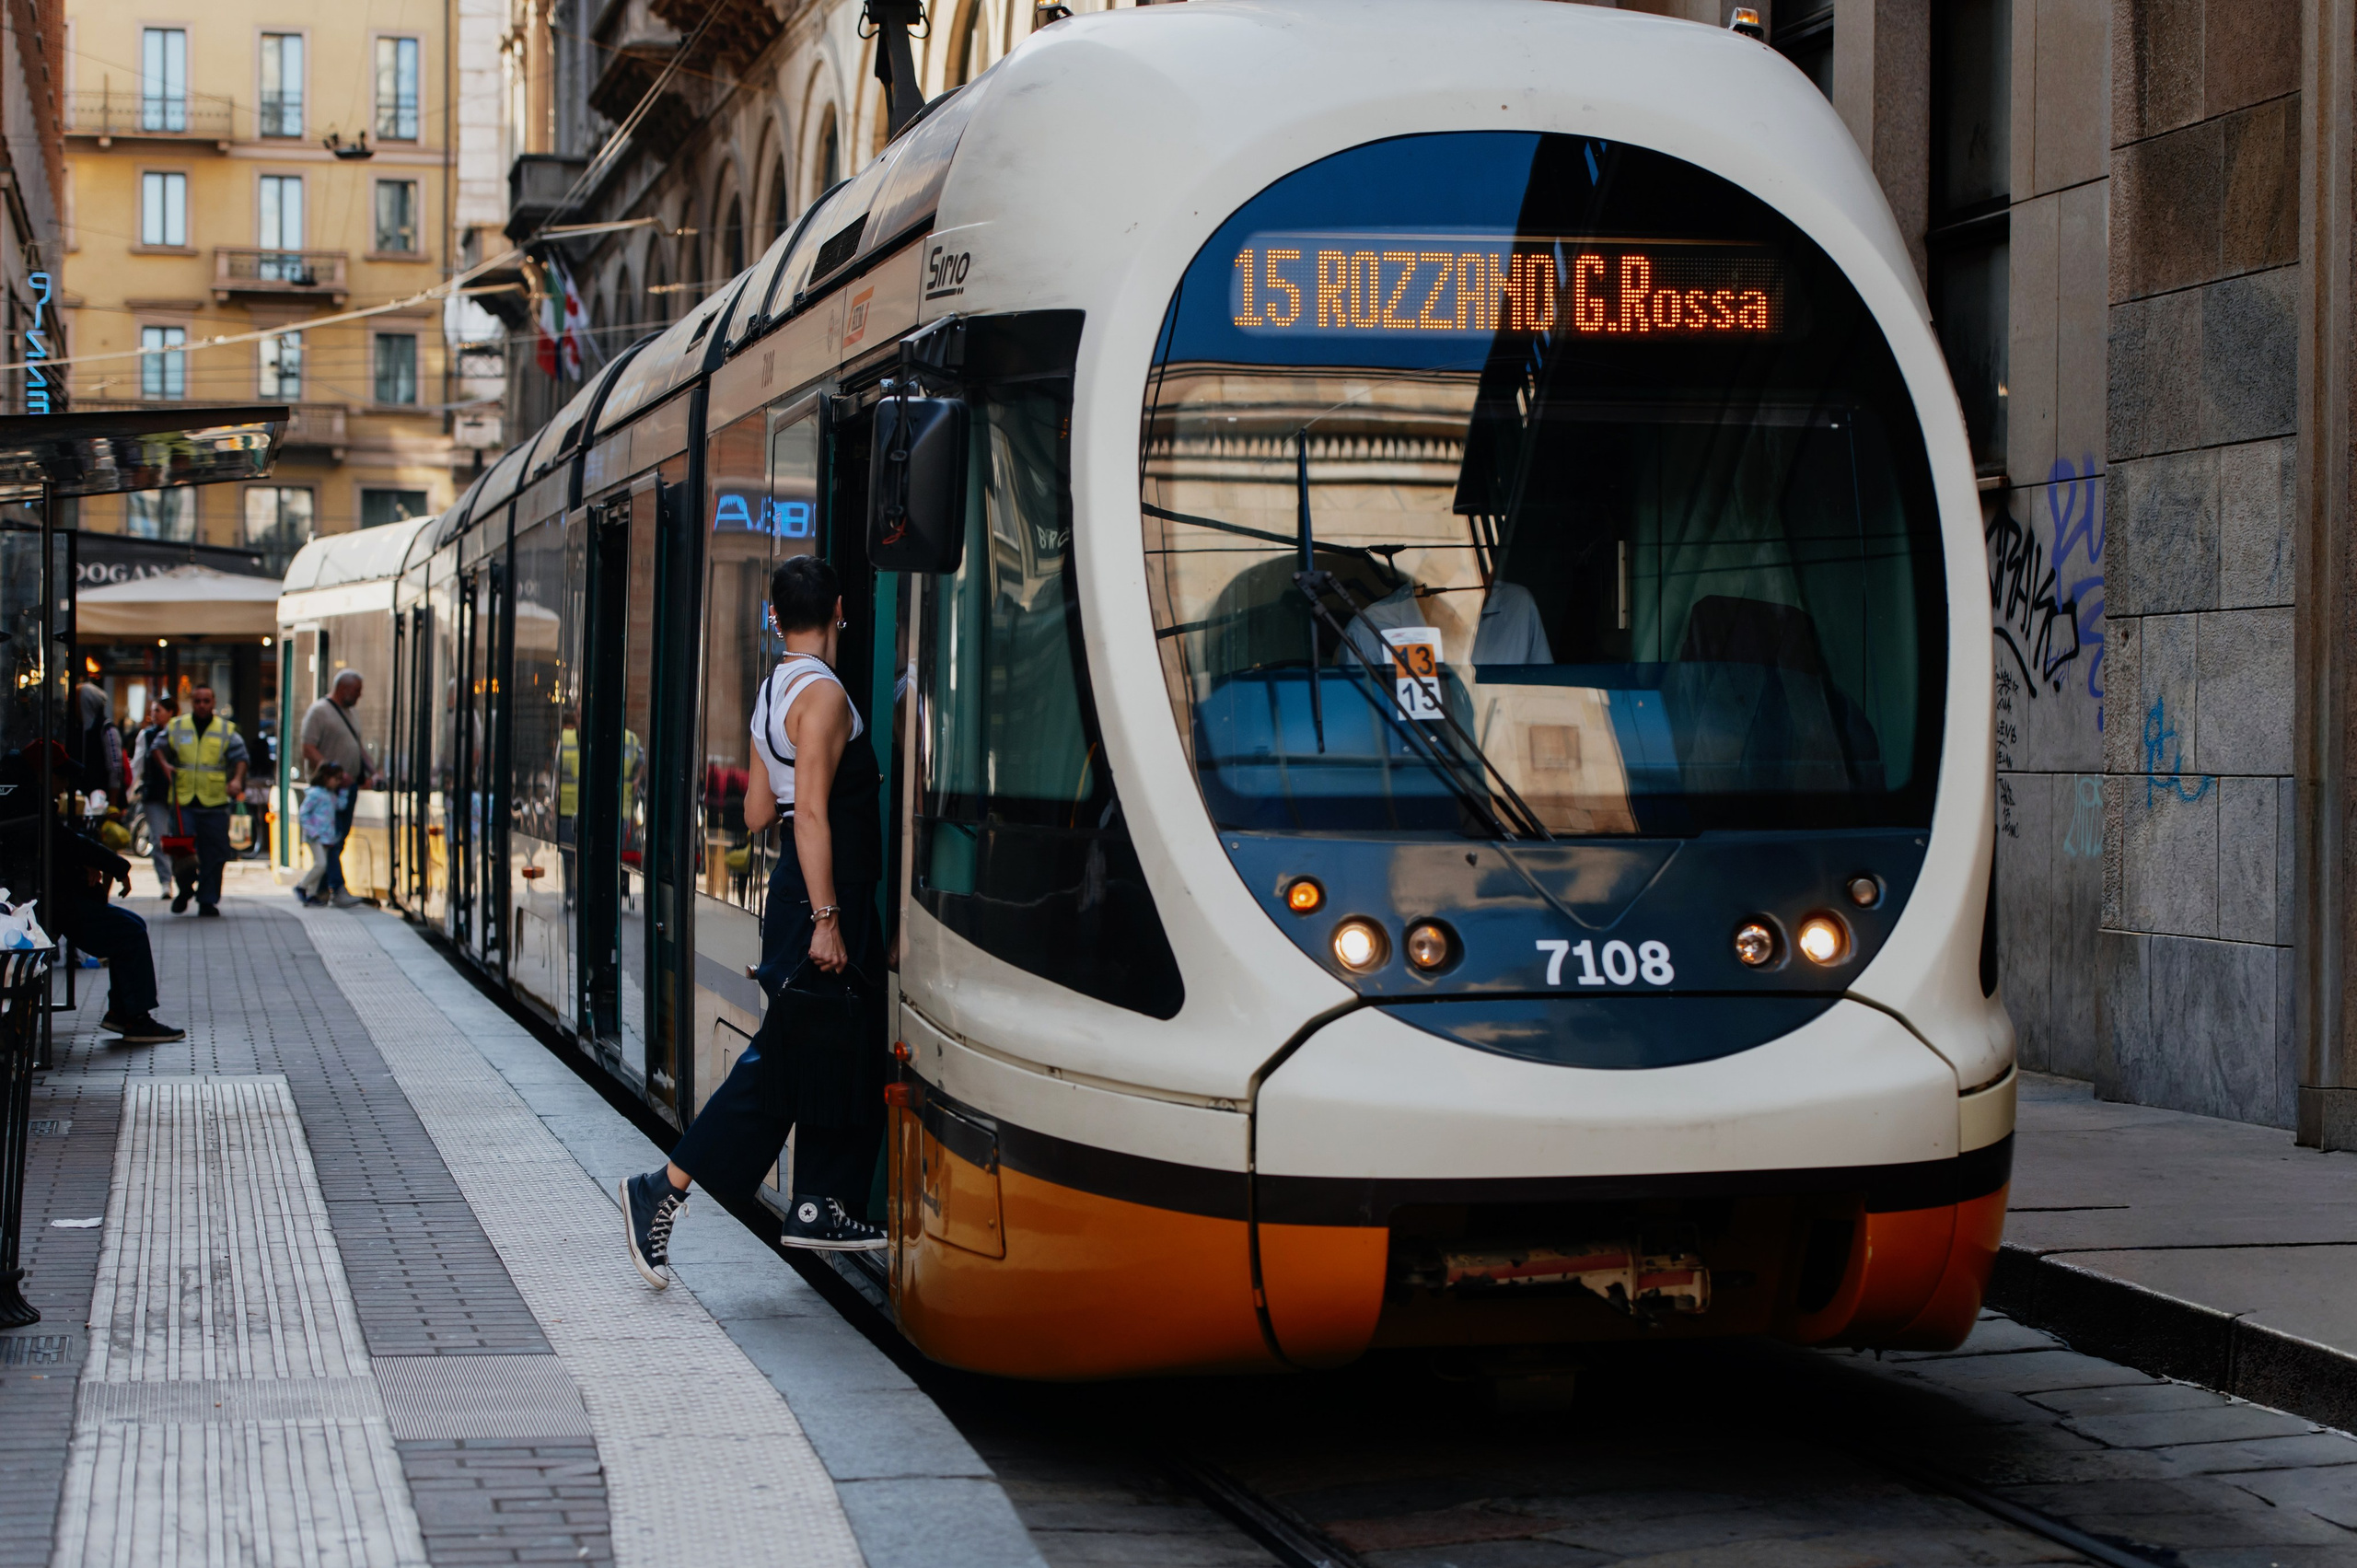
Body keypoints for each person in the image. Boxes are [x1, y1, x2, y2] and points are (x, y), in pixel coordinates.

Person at [621, 554, 887, 1286]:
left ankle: (816, 1204)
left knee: (818, 1050)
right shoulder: (825, 696)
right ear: (839, 609)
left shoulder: (773, 690)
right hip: (823, 894)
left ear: (774, 616)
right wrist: (829, 918)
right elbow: (808, 819)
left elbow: (756, 811)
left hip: (796, 892)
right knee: (782, 1058)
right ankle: (663, 1187)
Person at [0, 741, 183, 1043]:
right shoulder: (29, 801)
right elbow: (63, 843)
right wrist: (109, 863)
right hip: (47, 904)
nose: (65, 785)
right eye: (62, 776)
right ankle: (132, 1017)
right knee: (129, 932)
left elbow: (60, 844)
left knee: (131, 928)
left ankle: (126, 1013)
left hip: (46, 900)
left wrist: (93, 865)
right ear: (45, 774)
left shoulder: (23, 797)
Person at [162, 685, 246, 917]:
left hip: (215, 802)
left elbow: (241, 757)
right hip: (184, 802)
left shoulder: (225, 730)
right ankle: (185, 889)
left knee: (215, 854)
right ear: (191, 702)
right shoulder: (177, 726)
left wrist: (237, 780)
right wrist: (164, 766)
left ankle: (207, 900)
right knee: (182, 851)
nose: (201, 705)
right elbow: (157, 747)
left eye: (206, 701)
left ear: (213, 702)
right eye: (197, 701)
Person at [299, 670, 373, 907]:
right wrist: (332, 774)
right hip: (329, 791)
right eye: (357, 691)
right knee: (331, 841)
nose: (360, 696)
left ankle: (322, 889)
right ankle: (335, 888)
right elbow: (308, 748)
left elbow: (357, 745)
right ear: (344, 688)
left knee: (339, 840)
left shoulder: (351, 713)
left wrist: (371, 771)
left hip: (345, 789)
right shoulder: (319, 712)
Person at [129, 698, 182, 896]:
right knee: (159, 838)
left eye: (158, 710)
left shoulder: (181, 732)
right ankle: (166, 881)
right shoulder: (147, 735)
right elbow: (137, 764)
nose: (154, 714)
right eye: (153, 710)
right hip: (155, 793)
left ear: (171, 712)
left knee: (180, 838)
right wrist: (129, 792)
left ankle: (182, 878)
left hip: (179, 793)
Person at [294, 763, 348, 905]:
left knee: (320, 865)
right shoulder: (315, 794)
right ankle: (301, 886)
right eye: (336, 779)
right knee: (321, 864)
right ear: (326, 777)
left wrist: (345, 790)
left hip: (326, 837)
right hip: (315, 836)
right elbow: (303, 813)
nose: (338, 782)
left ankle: (311, 895)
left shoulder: (330, 795)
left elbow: (341, 805)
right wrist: (313, 831)